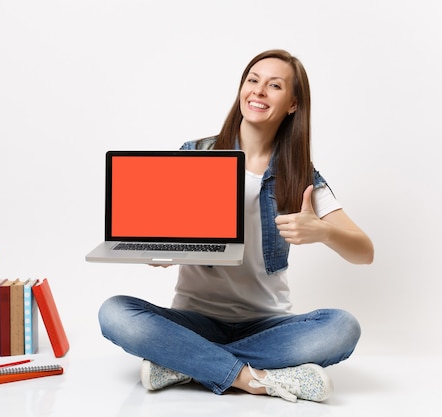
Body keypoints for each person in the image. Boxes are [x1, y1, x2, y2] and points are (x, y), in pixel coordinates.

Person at [97, 49, 374, 403]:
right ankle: (253, 378)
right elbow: (159, 227)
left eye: (274, 85)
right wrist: (159, 247)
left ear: (292, 104)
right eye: (252, 81)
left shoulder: (301, 175)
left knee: (343, 328)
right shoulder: (195, 153)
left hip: (268, 324)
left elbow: (364, 252)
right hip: (194, 320)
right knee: (115, 313)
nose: (258, 91)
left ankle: (184, 363)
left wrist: (324, 232)